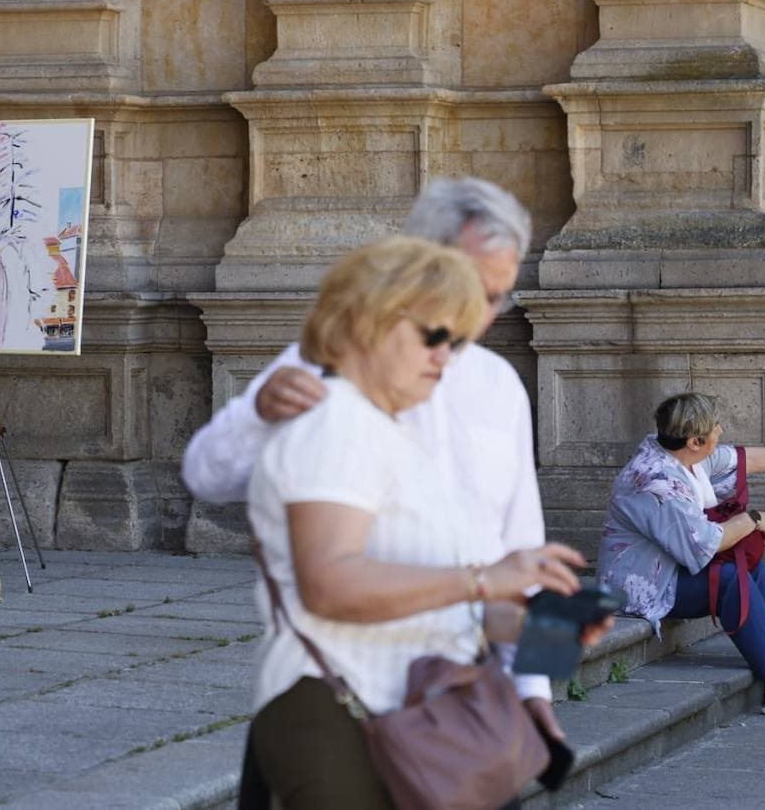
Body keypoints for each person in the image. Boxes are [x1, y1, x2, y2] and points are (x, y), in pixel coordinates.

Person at [185, 177, 592, 741]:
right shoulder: (330, 368)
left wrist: (536, 689)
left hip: (459, 694)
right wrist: (258, 412)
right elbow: (205, 475)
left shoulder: (500, 386)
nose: (480, 315)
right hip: (343, 691)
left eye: (498, 296)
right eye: (469, 286)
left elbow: (521, 547)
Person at [244, 236, 587, 808]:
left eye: (454, 339)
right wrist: (482, 579)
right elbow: (329, 585)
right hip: (340, 713)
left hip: (415, 709)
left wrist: (538, 628)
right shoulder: (335, 424)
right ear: (368, 324)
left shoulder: (391, 432)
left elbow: (443, 596)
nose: (445, 355)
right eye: (432, 335)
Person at [598, 392, 765, 717]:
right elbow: (705, 543)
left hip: (671, 568)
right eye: (715, 429)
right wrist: (752, 519)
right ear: (695, 441)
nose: (720, 431)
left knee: (753, 570)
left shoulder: (675, 449)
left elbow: (742, 459)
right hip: (642, 585)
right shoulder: (655, 482)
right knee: (729, 580)